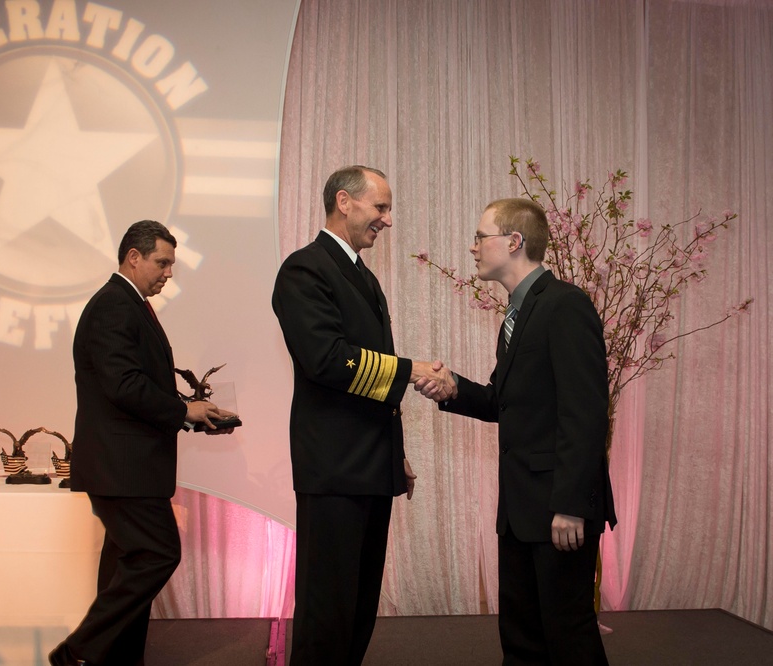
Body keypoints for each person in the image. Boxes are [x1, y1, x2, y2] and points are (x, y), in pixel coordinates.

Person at [417, 198, 616, 665]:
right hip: (522, 510)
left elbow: (585, 413)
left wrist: (570, 504)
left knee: (568, 635)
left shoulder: (565, 305)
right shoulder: (517, 313)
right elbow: (502, 402)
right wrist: (451, 389)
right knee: (522, 637)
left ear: (513, 241)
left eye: (479, 236)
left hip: (558, 511)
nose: (472, 247)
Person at [272, 165, 456, 665]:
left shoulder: (360, 275)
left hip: (369, 467)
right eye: (381, 207)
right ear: (344, 201)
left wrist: (394, 455)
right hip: (334, 470)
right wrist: (410, 369)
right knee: (327, 613)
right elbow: (327, 360)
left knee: (357, 611)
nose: (387, 220)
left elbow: (369, 389)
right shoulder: (305, 269)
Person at [51, 219, 236, 666]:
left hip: (128, 465)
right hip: (123, 467)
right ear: (133, 257)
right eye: (162, 262)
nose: (168, 272)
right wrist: (181, 410)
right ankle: (77, 652)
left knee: (124, 567)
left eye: (171, 263)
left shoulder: (126, 303)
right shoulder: (115, 305)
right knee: (158, 553)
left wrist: (192, 412)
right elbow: (123, 385)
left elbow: (134, 384)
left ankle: (111, 659)